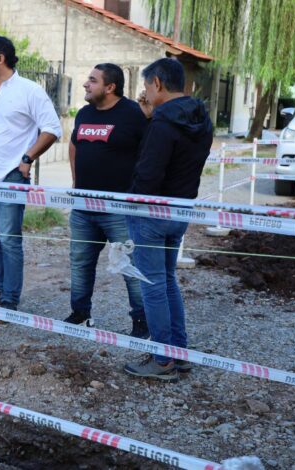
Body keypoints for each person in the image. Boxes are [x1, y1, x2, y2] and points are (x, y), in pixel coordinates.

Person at [123, 58, 213, 381]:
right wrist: (151, 119)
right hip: (180, 209)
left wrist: (130, 200)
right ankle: (179, 353)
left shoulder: (163, 125)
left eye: (147, 86)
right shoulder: (201, 119)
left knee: (153, 285)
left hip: (150, 213)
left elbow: (149, 174)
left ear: (158, 83)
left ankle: (162, 359)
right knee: (167, 279)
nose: (146, 93)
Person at [0, 36, 61, 311]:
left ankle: (10, 298)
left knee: (8, 238)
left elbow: (52, 128)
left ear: (0, 58)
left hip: (11, 176)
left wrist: (28, 158)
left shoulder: (29, 90)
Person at [64, 64, 148, 338]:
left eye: (92, 81)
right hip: (84, 207)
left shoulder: (133, 115)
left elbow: (149, 153)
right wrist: (76, 183)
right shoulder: (85, 113)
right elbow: (75, 144)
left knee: (130, 266)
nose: (86, 85)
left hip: (119, 210)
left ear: (110, 87)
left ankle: (141, 323)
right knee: (80, 261)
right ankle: (80, 314)